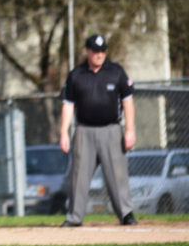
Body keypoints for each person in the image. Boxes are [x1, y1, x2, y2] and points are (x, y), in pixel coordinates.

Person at [58, 33, 137, 227]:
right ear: (87, 52)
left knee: (117, 175)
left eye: (102, 51)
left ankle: (126, 214)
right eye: (95, 51)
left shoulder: (116, 72)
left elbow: (128, 102)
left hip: (111, 130)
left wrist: (130, 130)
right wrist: (63, 133)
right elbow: (68, 105)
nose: (99, 55)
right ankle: (75, 217)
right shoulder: (76, 74)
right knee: (79, 175)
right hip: (84, 131)